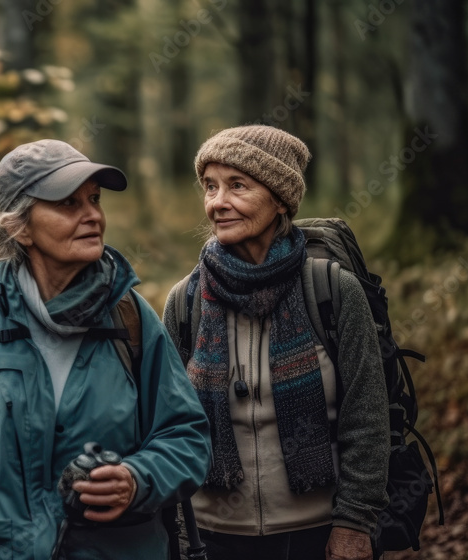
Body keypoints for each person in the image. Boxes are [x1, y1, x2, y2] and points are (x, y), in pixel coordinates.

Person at [0, 139, 211, 560]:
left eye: (94, 200)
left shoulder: (131, 320)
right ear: (19, 226)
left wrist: (137, 477)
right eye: (68, 203)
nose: (92, 215)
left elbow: (187, 437)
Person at [163, 125, 389, 560]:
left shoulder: (330, 291)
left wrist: (354, 524)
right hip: (213, 535)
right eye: (209, 186)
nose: (217, 203)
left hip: (316, 535)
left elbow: (367, 417)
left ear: (280, 198)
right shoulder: (186, 300)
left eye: (237, 185)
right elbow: (167, 425)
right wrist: (178, 528)